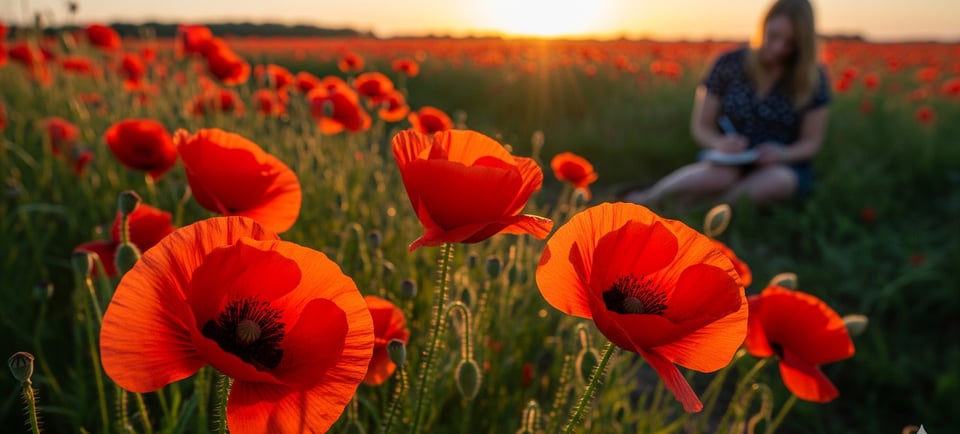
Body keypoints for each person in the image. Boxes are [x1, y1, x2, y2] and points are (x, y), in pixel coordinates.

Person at [624, 0, 831, 208]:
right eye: (774, 36)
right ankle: (645, 200)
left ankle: (708, 213)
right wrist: (719, 143)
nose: (778, 48)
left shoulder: (813, 78)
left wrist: (781, 153)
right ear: (764, 25)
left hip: (780, 165)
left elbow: (811, 143)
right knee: (722, 176)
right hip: (727, 160)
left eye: (790, 44)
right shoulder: (729, 64)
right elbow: (701, 126)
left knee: (777, 180)